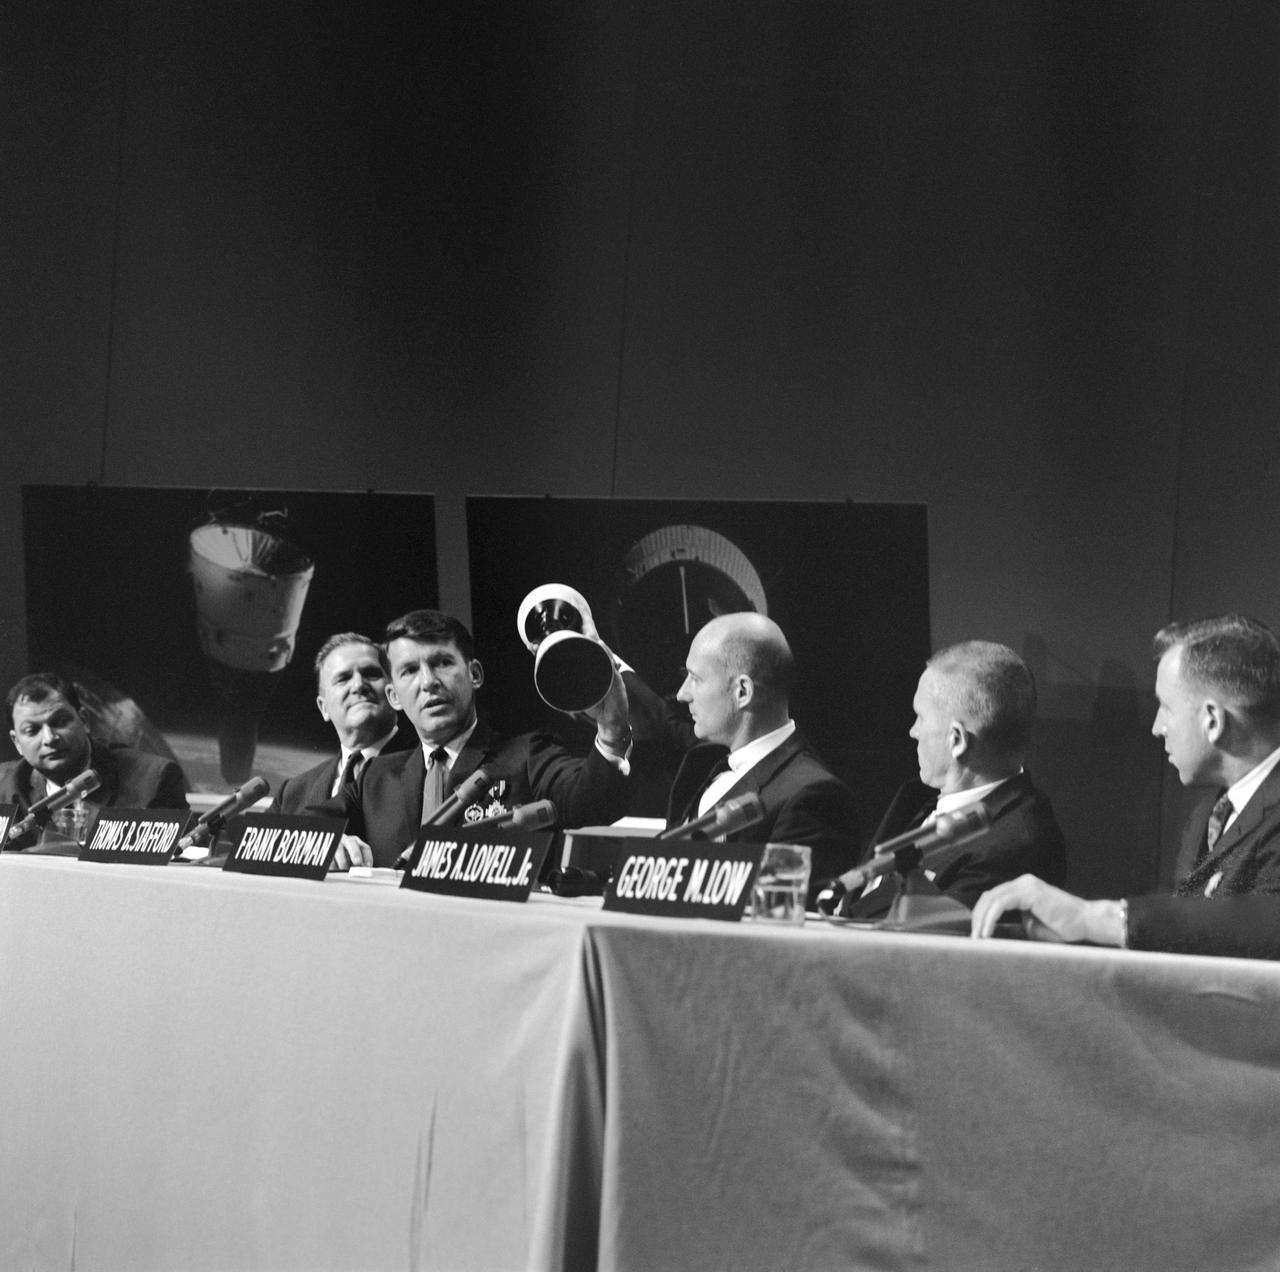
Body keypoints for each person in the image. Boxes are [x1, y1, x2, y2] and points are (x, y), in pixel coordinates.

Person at [971, 614, 1280, 953]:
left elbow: (1266, 920)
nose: (1157, 727)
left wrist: (1094, 918)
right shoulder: (1210, 811)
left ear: (1212, 720)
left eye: (1166, 707)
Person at [336, 609, 633, 869]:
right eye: (410, 670)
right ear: (393, 696)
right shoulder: (374, 776)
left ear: (475, 674)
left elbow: (590, 801)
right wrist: (332, 842)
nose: (428, 682)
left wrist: (610, 732)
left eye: (442, 663)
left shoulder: (529, 753)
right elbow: (306, 827)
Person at [830, 641, 1066, 919]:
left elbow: (922, 949)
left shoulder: (1016, 848)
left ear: (956, 740)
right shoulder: (914, 797)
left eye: (920, 717)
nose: (912, 731)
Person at [629, 612, 860, 891]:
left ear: (742, 692)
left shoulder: (812, 797)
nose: (682, 694)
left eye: (695, 678)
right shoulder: (704, 760)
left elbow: (782, 914)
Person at [0, 672, 188, 849]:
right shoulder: (5, 785)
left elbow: (183, 862)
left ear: (84, 720)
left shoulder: (153, 780)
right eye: (32, 731)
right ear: (17, 742)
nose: (49, 738)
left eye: (60, 722)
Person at [270, 632, 406, 815]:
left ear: (394, 691)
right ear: (323, 708)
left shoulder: (430, 769)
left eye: (371, 674)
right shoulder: (292, 793)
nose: (358, 685)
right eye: (343, 678)